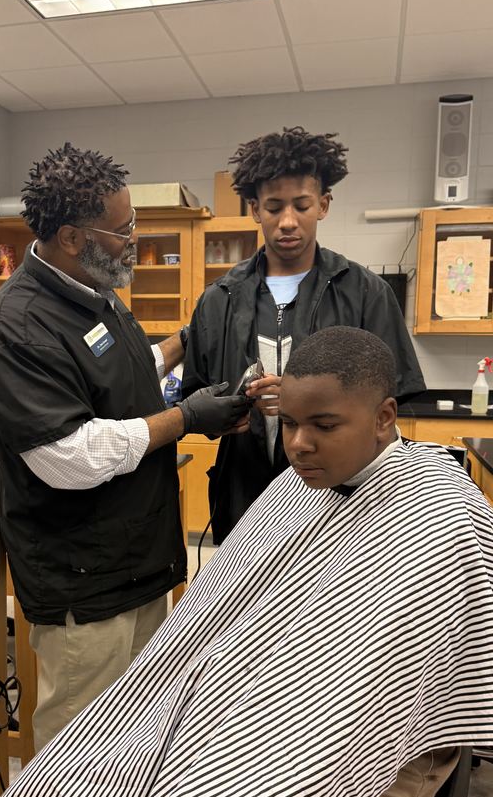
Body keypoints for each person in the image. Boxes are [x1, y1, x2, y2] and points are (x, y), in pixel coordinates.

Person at [0, 327, 493, 797]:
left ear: (385, 415)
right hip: (235, 711)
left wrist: (237, 743)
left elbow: (378, 684)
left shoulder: (435, 507)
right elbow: (212, 616)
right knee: (54, 794)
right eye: (293, 423)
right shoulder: (298, 487)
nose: (299, 444)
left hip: (356, 760)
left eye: (324, 425)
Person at [0, 142, 248, 751]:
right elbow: (71, 454)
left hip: (137, 562)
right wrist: (185, 418)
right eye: (124, 231)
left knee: (136, 737)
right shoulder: (18, 327)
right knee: (78, 756)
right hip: (83, 580)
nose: (135, 241)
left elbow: (119, 372)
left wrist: (184, 340)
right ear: (72, 237)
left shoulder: (92, 297)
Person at [182, 126, 426, 543]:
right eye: (274, 207)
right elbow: (199, 402)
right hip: (244, 496)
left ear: (324, 205)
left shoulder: (366, 294)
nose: (288, 221)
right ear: (255, 209)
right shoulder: (218, 300)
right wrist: (236, 409)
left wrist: (305, 401)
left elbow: (389, 403)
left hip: (345, 502)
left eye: (302, 205)